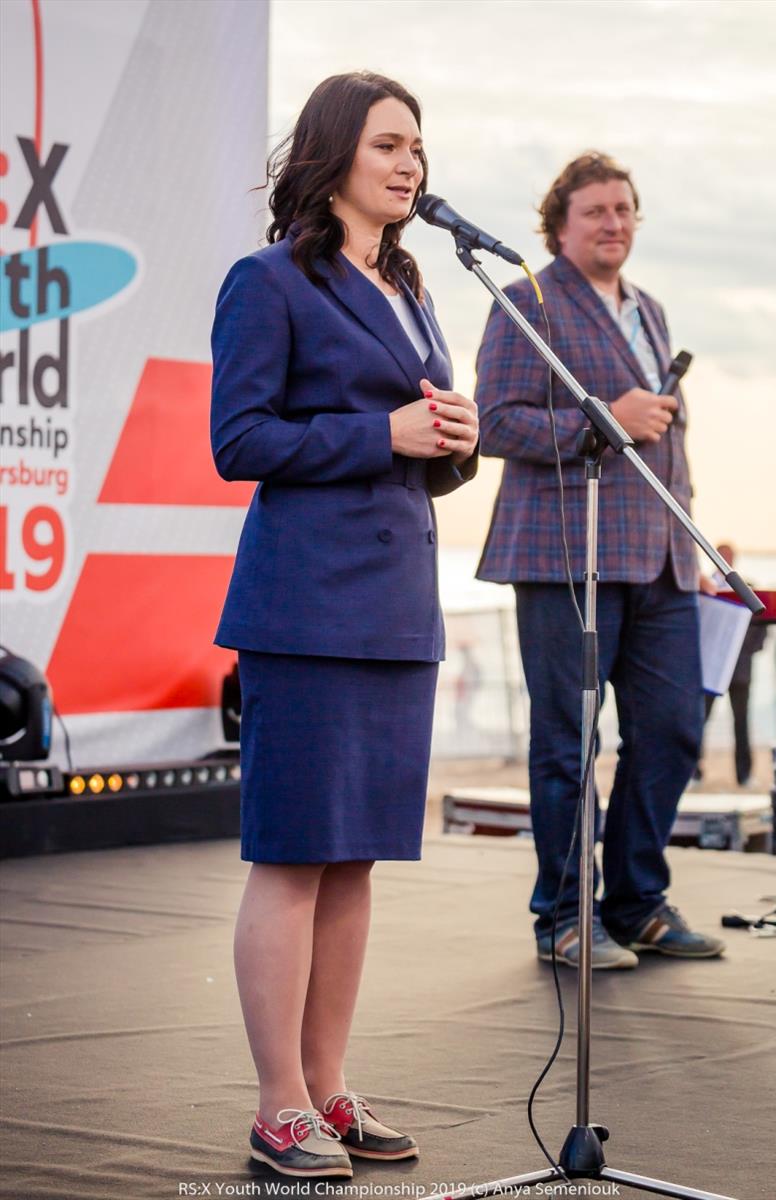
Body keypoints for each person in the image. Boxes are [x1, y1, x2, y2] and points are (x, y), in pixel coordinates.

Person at [210, 72, 478, 1176]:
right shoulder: (267, 280)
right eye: (387, 145)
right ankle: (278, 1104)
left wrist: (453, 441)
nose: (409, 163)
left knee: (354, 862)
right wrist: (387, 433)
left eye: (416, 145)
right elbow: (241, 442)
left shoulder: (411, 285)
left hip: (393, 610)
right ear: (334, 157)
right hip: (307, 609)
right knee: (292, 858)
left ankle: (327, 1088)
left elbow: (423, 457)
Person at [475, 151, 724, 970]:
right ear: (559, 225)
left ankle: (637, 902)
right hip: (564, 558)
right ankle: (564, 917)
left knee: (674, 730)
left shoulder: (648, 310)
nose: (614, 223)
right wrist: (601, 421)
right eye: (596, 211)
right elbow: (496, 423)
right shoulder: (526, 302)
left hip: (661, 560)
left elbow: (660, 436)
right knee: (566, 745)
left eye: (624, 210)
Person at [696, 543, 767, 787]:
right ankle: (694, 773)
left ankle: (744, 775)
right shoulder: (705, 587)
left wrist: (745, 651)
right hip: (710, 665)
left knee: (742, 722)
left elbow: (760, 626)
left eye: (729, 555)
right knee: (699, 720)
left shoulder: (748, 588)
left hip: (740, 668)